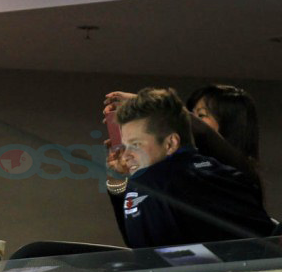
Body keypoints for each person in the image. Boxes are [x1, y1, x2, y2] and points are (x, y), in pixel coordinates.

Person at [105, 87, 275, 248]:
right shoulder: (153, 180)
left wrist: (155, 109)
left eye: (201, 115)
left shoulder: (161, 178)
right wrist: (117, 180)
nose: (192, 121)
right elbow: (143, 246)